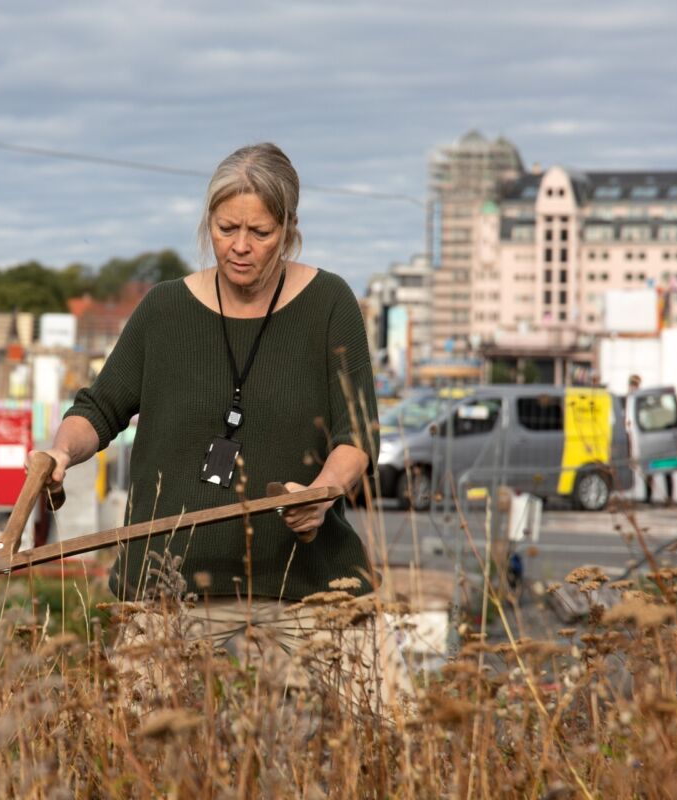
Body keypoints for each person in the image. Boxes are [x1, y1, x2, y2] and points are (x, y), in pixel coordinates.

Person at [32, 143, 408, 705]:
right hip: (172, 582)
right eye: (225, 227)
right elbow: (98, 409)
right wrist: (61, 452)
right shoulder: (163, 310)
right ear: (207, 221)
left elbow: (358, 437)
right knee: (135, 751)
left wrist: (322, 493)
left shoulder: (330, 303)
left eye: (259, 232)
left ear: (290, 229)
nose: (239, 246)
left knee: (393, 726)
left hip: (307, 581)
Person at [628, 374, 675, 505]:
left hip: (662, 444)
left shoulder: (661, 411)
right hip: (652, 443)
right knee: (650, 471)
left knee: (666, 471)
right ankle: (650, 497)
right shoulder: (640, 404)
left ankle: (667, 498)